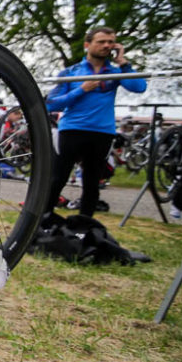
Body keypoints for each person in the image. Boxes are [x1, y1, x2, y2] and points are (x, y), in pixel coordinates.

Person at [45, 26, 146, 218]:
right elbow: (51, 104)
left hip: (102, 132)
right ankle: (43, 220)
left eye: (110, 42)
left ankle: (85, 225)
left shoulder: (115, 72)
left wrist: (123, 62)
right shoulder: (71, 72)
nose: (106, 45)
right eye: (101, 42)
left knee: (92, 183)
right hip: (72, 130)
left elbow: (139, 87)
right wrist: (81, 90)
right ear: (87, 45)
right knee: (58, 178)